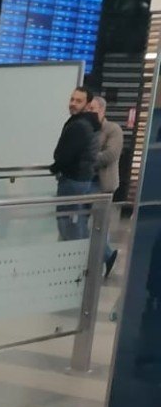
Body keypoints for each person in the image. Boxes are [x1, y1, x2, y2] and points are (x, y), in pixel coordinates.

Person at [51, 86, 100, 242]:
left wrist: (55, 167)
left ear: (87, 105)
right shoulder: (86, 123)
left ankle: (77, 258)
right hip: (80, 178)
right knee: (77, 220)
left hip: (73, 179)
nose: (73, 103)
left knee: (66, 222)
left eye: (79, 101)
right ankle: (99, 254)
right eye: (72, 99)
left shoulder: (80, 125)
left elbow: (67, 154)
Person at [88, 93, 124, 278]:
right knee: (88, 225)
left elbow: (110, 155)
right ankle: (107, 255)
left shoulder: (112, 129)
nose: (89, 112)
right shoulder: (88, 128)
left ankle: (106, 256)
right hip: (86, 181)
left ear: (102, 110)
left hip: (103, 183)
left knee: (99, 224)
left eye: (92, 109)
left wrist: (86, 160)